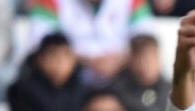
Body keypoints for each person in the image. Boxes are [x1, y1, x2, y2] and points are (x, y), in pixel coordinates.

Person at [27, 0, 156, 81]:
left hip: (122, 76)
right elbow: (39, 44)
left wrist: (119, 60)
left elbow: (146, 40)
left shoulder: (134, 1)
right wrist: (87, 61)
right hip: (69, 80)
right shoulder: (49, 1)